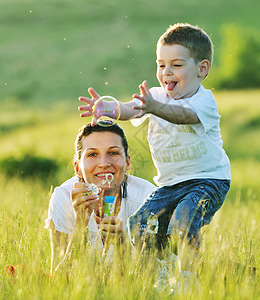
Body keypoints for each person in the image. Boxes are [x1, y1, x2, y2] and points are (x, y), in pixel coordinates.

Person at [78, 23, 231, 290]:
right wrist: (107, 108)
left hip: (207, 180)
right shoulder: (156, 97)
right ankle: (159, 275)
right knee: (138, 226)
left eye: (176, 65)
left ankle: (188, 280)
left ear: (202, 69)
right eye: (161, 65)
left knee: (183, 223)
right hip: (169, 184)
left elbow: (183, 116)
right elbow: (129, 108)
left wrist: (155, 107)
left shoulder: (203, 102)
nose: (166, 72)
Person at [44, 122, 155, 274]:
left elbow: (154, 278)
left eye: (113, 153)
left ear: (127, 162)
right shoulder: (63, 197)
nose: (103, 163)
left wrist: (123, 248)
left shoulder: (147, 197)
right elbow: (59, 280)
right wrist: (80, 224)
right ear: (78, 168)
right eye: (92, 154)